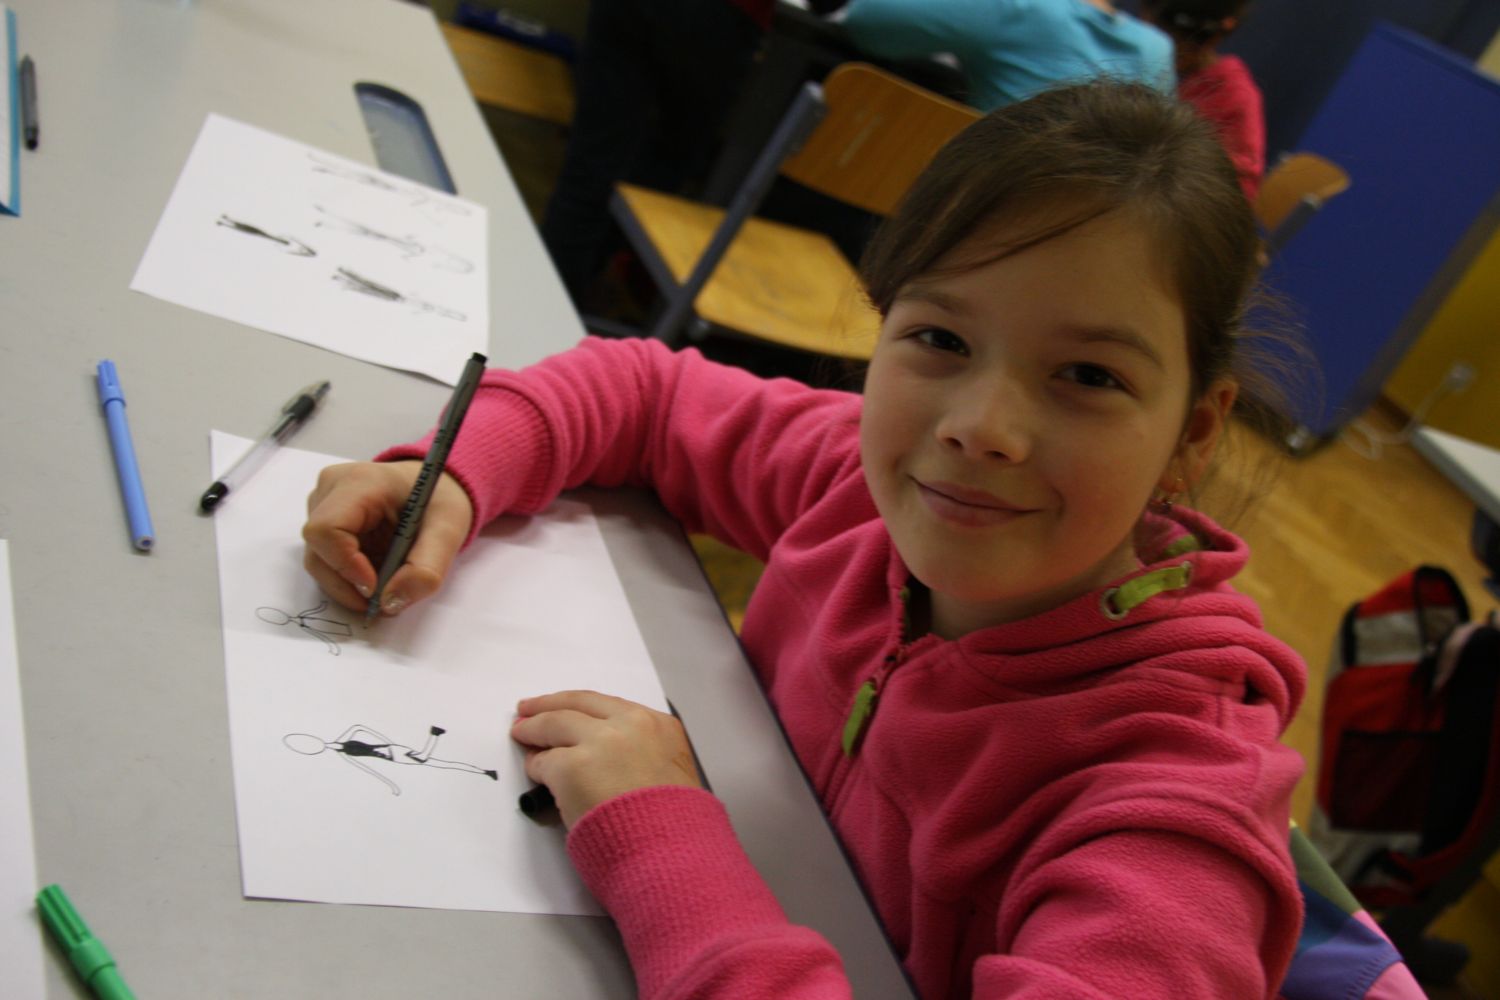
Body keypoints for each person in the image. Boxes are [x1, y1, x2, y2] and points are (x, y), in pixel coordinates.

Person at [302, 81, 1308, 998]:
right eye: (941, 339)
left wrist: (663, 844)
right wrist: (455, 475)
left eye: (1089, 377)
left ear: (1194, 431)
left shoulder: (1175, 805)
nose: (981, 428)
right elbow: (645, 392)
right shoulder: (863, 488)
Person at [538, 0, 773, 309]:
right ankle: (585, 287)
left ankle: (549, 301)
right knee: (657, 177)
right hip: (720, 22)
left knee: (590, 166)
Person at [836, 0, 1176, 111]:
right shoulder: (1157, 48)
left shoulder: (1021, 7)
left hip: (983, 219)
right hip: (1091, 240)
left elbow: (866, 23)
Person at [1141, 0, 1265, 200]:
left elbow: (1237, 191)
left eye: (1174, 42)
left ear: (1214, 38)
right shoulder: (1148, 64)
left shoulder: (1235, 96)